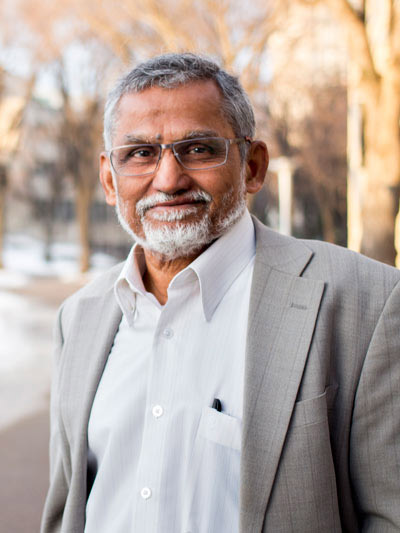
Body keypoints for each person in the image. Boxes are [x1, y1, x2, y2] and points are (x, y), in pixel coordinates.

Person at [41, 53, 400, 533]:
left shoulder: (367, 301)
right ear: (110, 179)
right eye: (141, 153)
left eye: (198, 149)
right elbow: (68, 508)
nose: (168, 180)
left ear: (252, 167)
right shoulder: (78, 318)